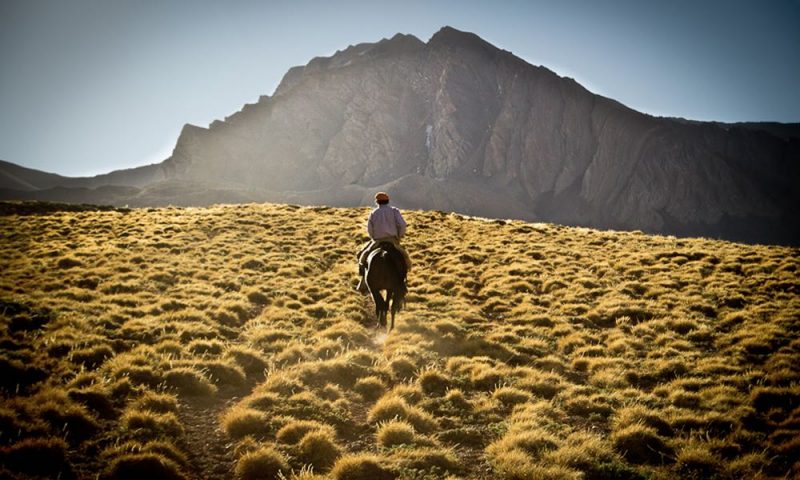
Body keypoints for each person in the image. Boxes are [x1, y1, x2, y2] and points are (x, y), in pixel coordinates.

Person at [356, 192, 412, 294]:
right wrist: (399, 236)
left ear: (377, 202)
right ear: (388, 201)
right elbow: (403, 225)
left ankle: (364, 280)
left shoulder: (374, 213)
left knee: (362, 257)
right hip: (393, 240)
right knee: (405, 259)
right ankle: (403, 281)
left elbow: (369, 229)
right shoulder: (394, 211)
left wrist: (374, 238)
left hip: (377, 241)